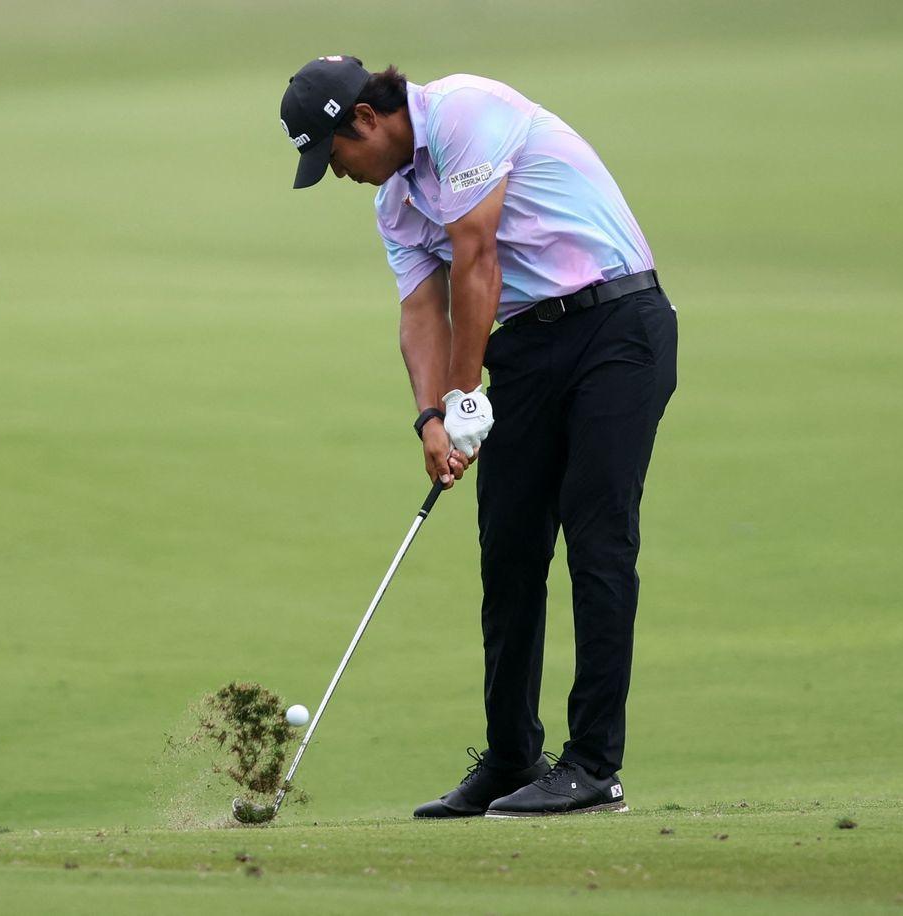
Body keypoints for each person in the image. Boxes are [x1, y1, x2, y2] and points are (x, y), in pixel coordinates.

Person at [279, 56, 677, 818]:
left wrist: (465, 397)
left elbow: (477, 253)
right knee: (510, 550)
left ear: (364, 120)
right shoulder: (394, 203)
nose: (339, 175)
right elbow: (422, 313)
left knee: (598, 540)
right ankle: (510, 759)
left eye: (334, 157)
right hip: (526, 350)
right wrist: (432, 417)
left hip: (617, 326)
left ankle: (593, 767)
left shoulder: (464, 111)